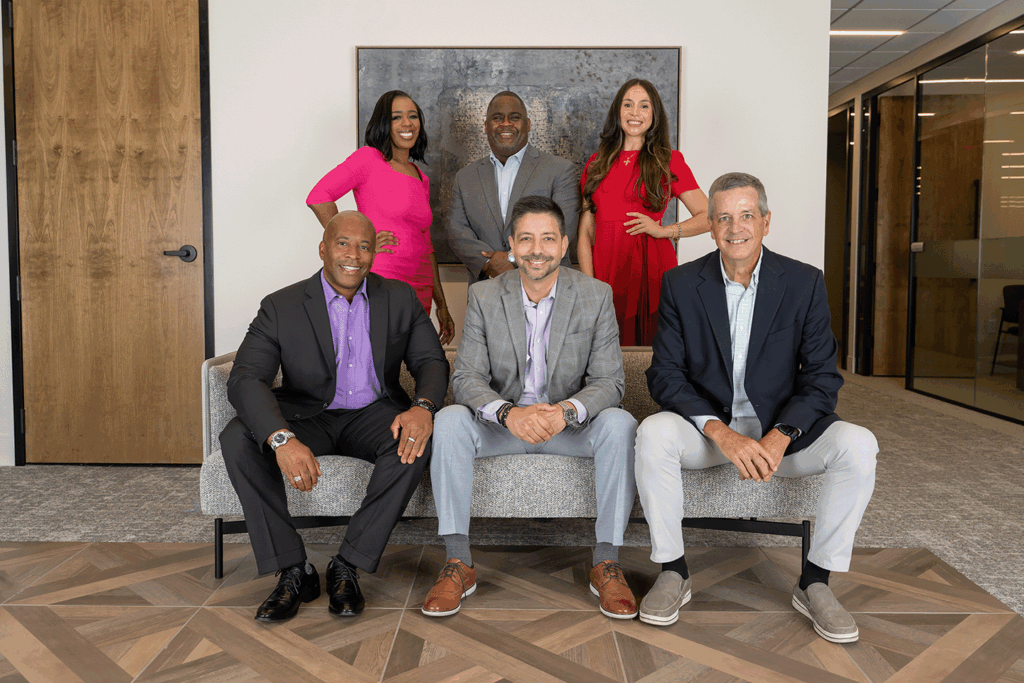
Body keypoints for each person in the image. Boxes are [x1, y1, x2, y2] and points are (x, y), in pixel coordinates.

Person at [635, 173, 878, 643]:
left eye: (746, 215)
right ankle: (673, 570)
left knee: (859, 444)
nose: (735, 227)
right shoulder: (681, 284)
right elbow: (664, 375)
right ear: (710, 227)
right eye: (723, 217)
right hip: (711, 436)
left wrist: (782, 433)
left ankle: (815, 582)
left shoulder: (804, 282)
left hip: (780, 438)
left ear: (766, 222)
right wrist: (720, 433)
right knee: (653, 432)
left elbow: (823, 377)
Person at [220, 211, 449, 622]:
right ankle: (293, 570)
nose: (354, 255)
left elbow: (431, 361)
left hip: (374, 413)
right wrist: (281, 438)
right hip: (309, 414)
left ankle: (348, 564)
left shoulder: (399, 298)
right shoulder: (281, 305)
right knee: (238, 436)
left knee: (419, 438)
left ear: (374, 254)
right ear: (323, 248)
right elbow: (245, 378)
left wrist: (423, 407)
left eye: (365, 246)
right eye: (343, 243)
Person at [424, 195, 639, 620]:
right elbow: (466, 377)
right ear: (512, 245)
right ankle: (457, 561)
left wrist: (565, 412)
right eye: (526, 239)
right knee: (448, 420)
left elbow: (610, 381)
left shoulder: (595, 295)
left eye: (546, 239)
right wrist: (508, 413)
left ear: (563, 245)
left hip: (568, 428)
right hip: (503, 427)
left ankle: (606, 561)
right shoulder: (485, 295)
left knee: (621, 424)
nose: (536, 249)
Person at [307, 90, 454, 344]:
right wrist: (356, 242)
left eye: (413, 116)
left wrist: (441, 303)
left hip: (420, 287)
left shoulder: (420, 176)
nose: (407, 123)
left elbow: (427, 244)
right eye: (397, 117)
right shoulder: (369, 159)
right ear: (384, 124)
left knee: (411, 363)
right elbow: (319, 197)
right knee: (377, 359)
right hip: (383, 279)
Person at [577, 78, 709, 345]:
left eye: (644, 106)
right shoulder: (596, 162)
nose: (634, 113)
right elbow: (585, 231)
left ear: (654, 115)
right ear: (618, 112)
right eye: (628, 105)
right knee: (604, 350)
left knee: (655, 350)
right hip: (606, 273)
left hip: (652, 270)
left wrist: (665, 231)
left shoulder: (669, 160)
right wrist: (589, 284)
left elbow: (709, 216)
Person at [448, 91, 580, 282]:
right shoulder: (465, 177)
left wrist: (512, 258)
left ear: (528, 124)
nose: (506, 124)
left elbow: (563, 230)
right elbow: (456, 231)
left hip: (546, 287)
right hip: (487, 288)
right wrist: (488, 263)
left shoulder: (560, 170)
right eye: (497, 118)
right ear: (486, 126)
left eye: (515, 117)